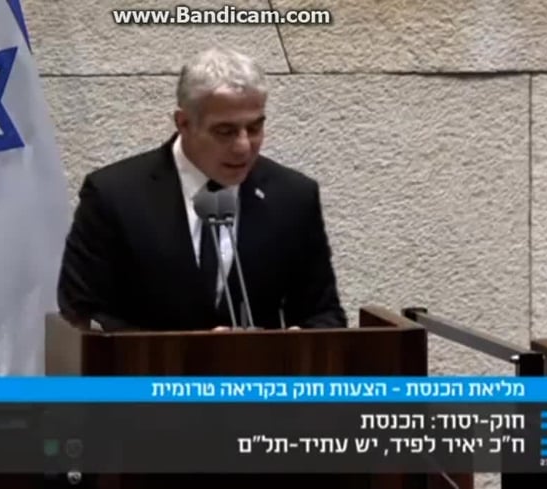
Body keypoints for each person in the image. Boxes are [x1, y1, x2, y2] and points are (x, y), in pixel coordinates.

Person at [57, 47, 346, 331]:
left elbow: (324, 314)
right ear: (183, 123)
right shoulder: (114, 195)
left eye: (254, 128)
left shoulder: (293, 197)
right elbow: (81, 312)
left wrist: (301, 343)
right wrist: (183, 351)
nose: (243, 147)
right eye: (225, 131)